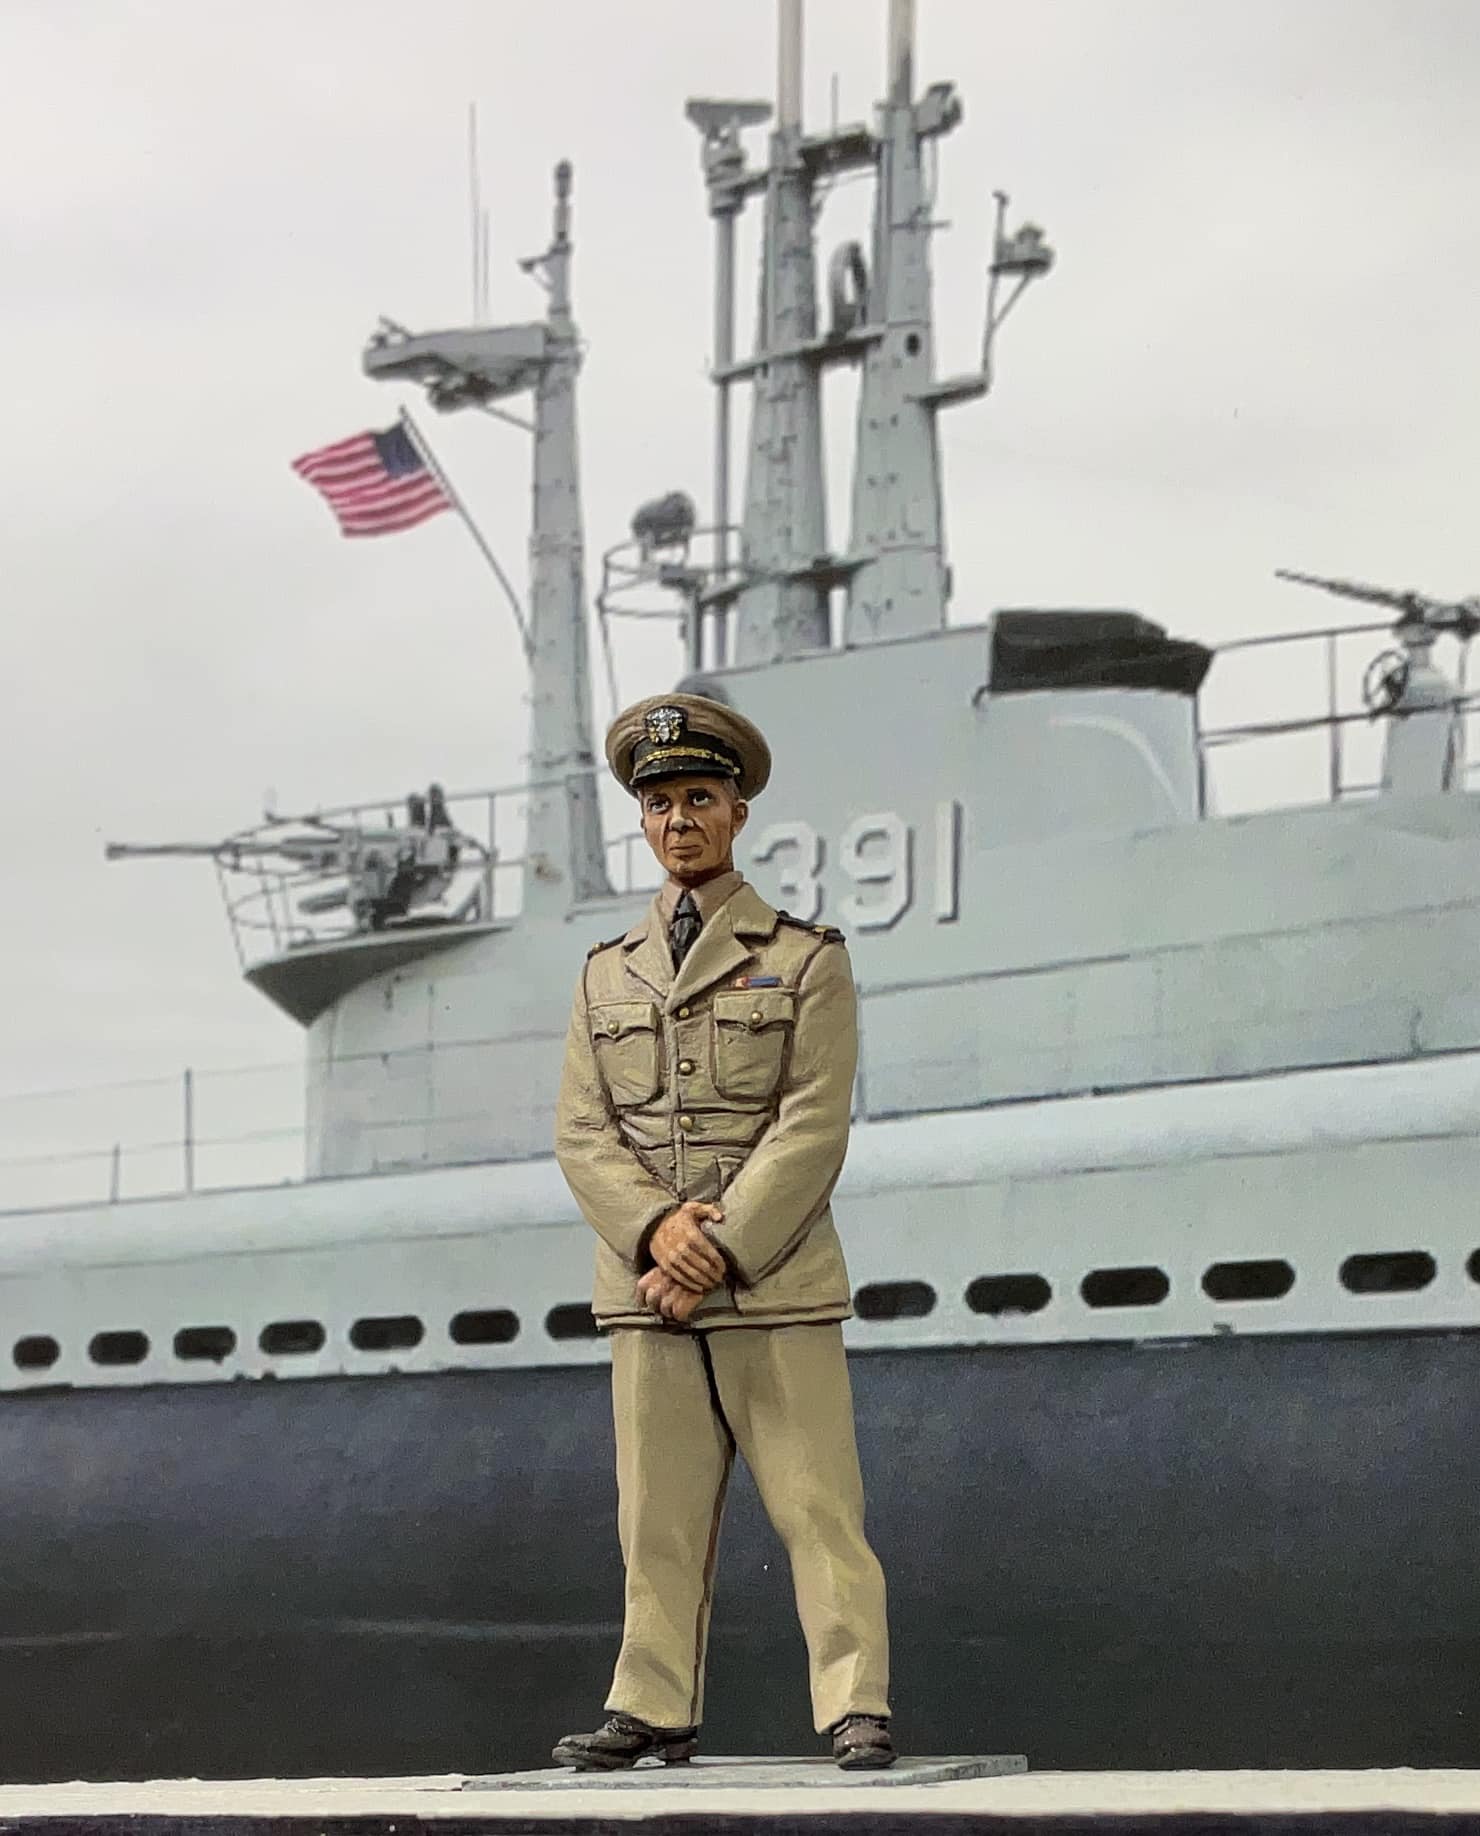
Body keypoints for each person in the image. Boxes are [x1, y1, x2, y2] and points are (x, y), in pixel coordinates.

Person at [551, 691, 894, 1772]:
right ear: (643, 822)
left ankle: (855, 1703)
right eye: (659, 803)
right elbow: (582, 1128)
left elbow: (810, 1122)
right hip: (648, 1293)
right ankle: (650, 1704)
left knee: (816, 1509)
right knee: (654, 1521)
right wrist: (657, 1230)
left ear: (737, 812)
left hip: (773, 1281)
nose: (678, 820)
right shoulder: (607, 972)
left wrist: (718, 1244)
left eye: (698, 797)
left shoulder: (804, 959)